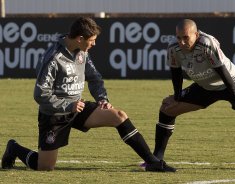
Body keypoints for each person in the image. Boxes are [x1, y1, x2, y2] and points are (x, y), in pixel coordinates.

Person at [1, 17, 176, 172]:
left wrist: (102, 99)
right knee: (45, 167)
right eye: (92, 40)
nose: (94, 44)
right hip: (54, 114)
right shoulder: (53, 58)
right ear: (80, 38)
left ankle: (152, 162)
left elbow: (94, 79)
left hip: (78, 107)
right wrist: (67, 105)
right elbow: (40, 94)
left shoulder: (82, 53)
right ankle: (14, 148)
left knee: (119, 116)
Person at [150, 19, 235, 170]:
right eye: (179, 38)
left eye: (186, 37)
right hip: (204, 86)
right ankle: (156, 159)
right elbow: (176, 73)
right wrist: (177, 97)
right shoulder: (173, 48)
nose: (182, 42)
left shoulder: (206, 43)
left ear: (196, 34)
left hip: (231, 82)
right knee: (167, 108)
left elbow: (222, 71)